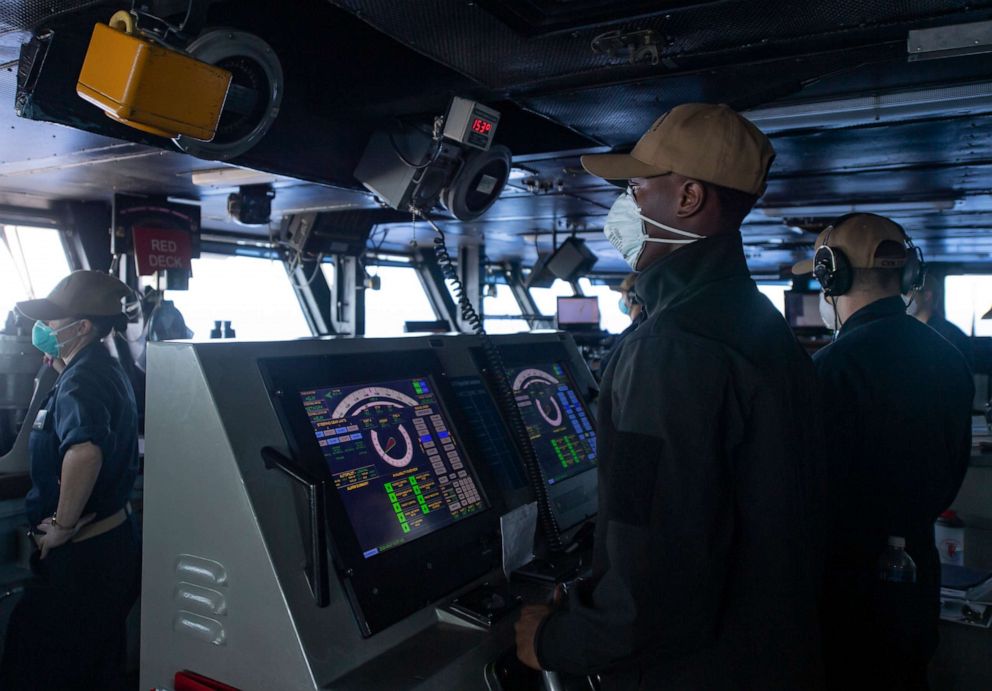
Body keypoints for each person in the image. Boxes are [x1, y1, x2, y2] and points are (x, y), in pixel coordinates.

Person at [515, 103, 826, 689]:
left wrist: (556, 639)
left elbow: (654, 574)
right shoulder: (753, 323)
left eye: (635, 188)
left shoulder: (670, 348)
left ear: (686, 199)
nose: (623, 206)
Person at [792, 213, 973, 690]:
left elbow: (810, 493)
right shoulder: (949, 358)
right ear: (908, 273)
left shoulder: (830, 369)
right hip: (916, 576)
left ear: (832, 276)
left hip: (846, 591)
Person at [1, 270, 141, 691]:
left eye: (52, 322)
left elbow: (85, 451)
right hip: (107, 551)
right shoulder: (95, 367)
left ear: (82, 328)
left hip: (83, 559)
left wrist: (62, 527)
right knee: (94, 668)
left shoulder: (83, 378)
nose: (41, 329)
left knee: (32, 665)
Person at [910, 272, 973, 368]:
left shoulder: (948, 334)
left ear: (927, 296)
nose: (905, 298)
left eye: (910, 292)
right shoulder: (913, 330)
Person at [598, 273, 645, 376]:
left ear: (632, 296)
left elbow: (605, 369)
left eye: (623, 294)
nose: (622, 299)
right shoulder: (650, 324)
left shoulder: (634, 331)